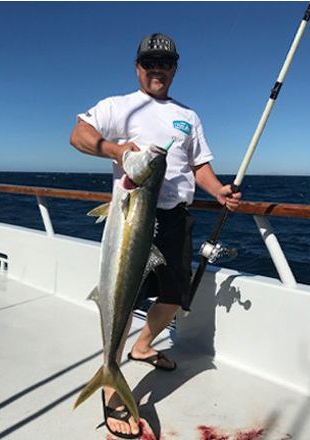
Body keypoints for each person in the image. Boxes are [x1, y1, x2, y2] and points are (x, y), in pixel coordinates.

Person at [67, 32, 241, 439]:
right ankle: (111, 382)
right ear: (137, 66)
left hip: (175, 218)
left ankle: (142, 346)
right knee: (122, 298)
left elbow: (199, 166)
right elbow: (77, 135)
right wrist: (117, 151)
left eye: (165, 63)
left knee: (176, 297)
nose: (157, 69)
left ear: (175, 68)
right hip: (131, 219)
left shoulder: (189, 116)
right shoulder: (118, 106)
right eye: (149, 62)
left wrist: (218, 191)